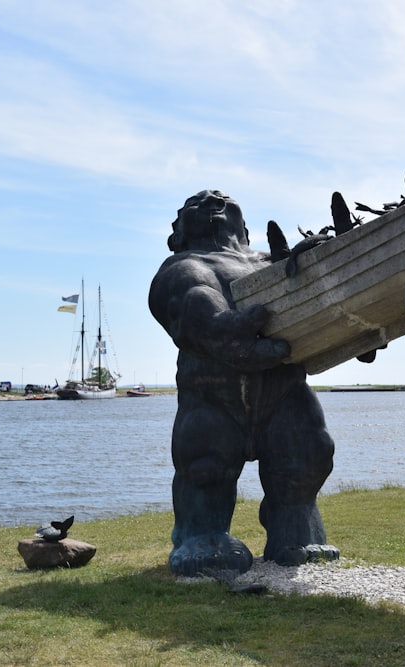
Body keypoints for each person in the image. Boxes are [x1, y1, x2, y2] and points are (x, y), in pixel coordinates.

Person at [149, 190, 338, 576]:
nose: (210, 201)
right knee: (206, 465)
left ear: (243, 226)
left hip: (282, 387)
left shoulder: (272, 260)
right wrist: (215, 325)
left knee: (304, 455)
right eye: (193, 205)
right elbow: (187, 297)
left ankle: (295, 530)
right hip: (211, 392)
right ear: (178, 232)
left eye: (219, 199)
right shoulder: (181, 265)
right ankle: (200, 535)